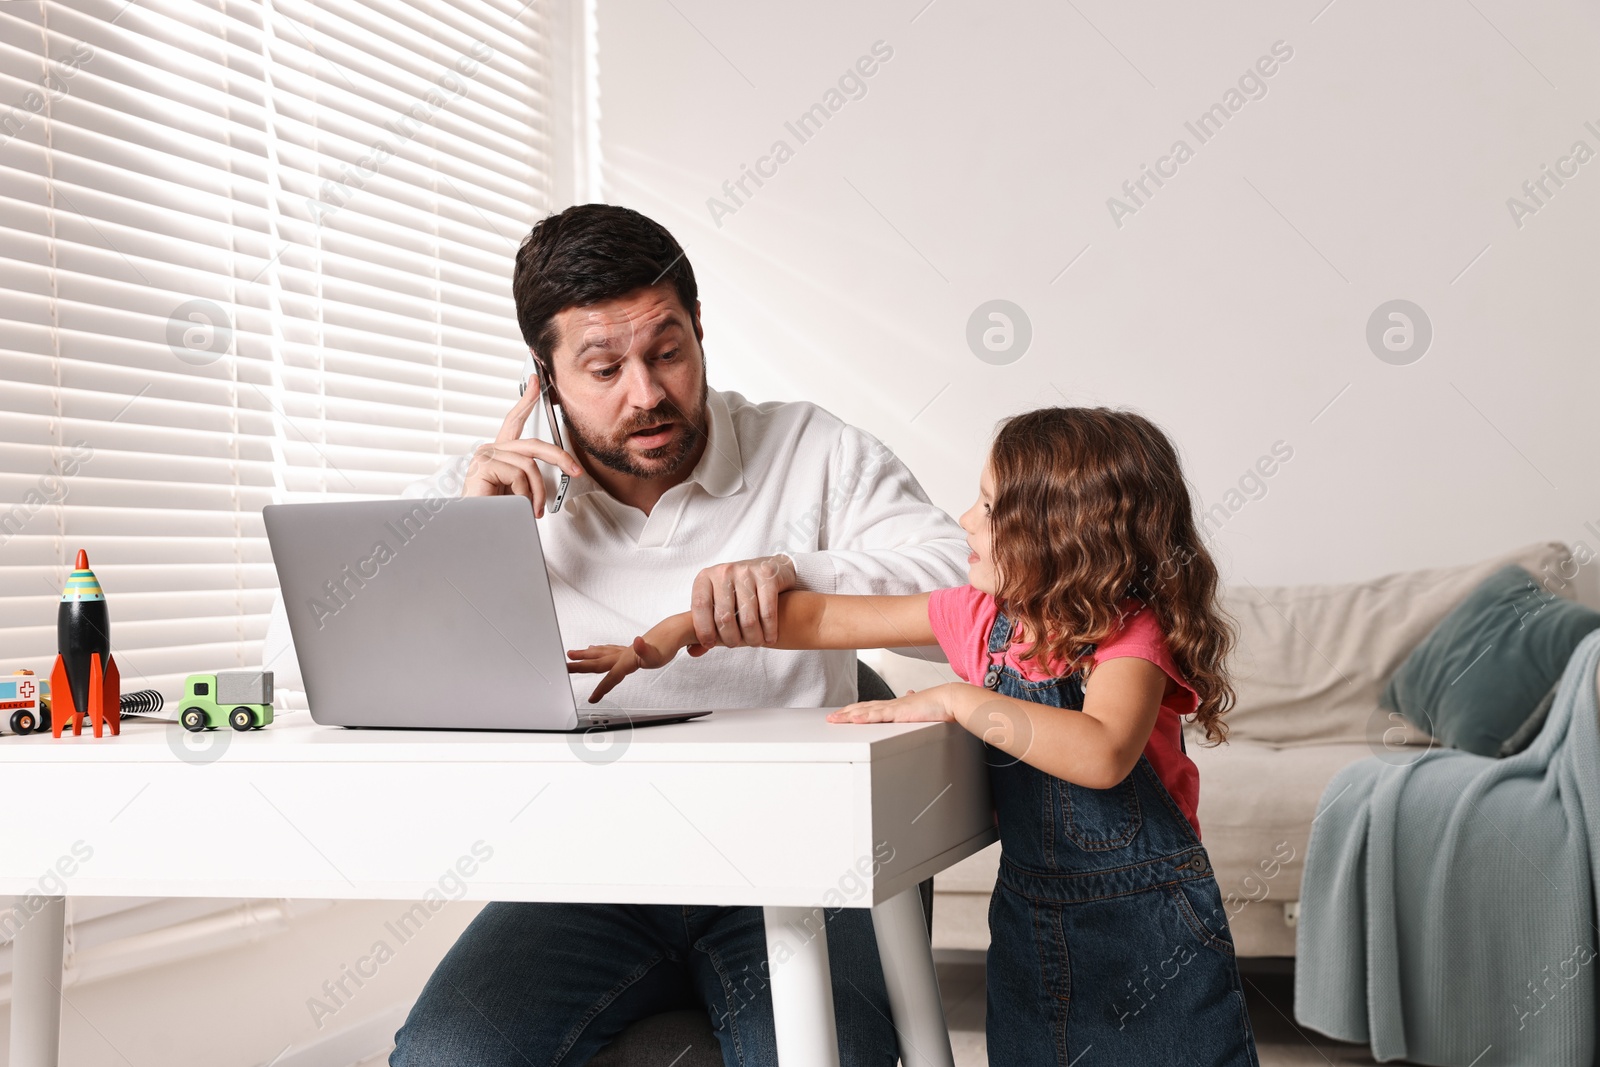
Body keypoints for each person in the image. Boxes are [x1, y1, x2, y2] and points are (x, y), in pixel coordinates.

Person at [386, 204, 969, 1067]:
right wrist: (467, 548)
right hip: (585, 872)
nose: (647, 393)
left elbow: (975, 598)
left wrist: (800, 575)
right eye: (603, 368)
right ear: (542, 380)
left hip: (800, 867)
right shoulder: (491, 491)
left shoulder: (813, 450)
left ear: (700, 331)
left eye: (667, 351)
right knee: (444, 1056)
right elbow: (331, 674)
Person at [572, 406, 1263, 1066]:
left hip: (1152, 933)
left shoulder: (1129, 633)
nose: (965, 519)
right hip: (1032, 924)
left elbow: (1103, 750)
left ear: (1063, 532)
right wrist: (673, 631)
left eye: (989, 508)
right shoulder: (979, 617)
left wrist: (962, 700)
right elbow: (817, 621)